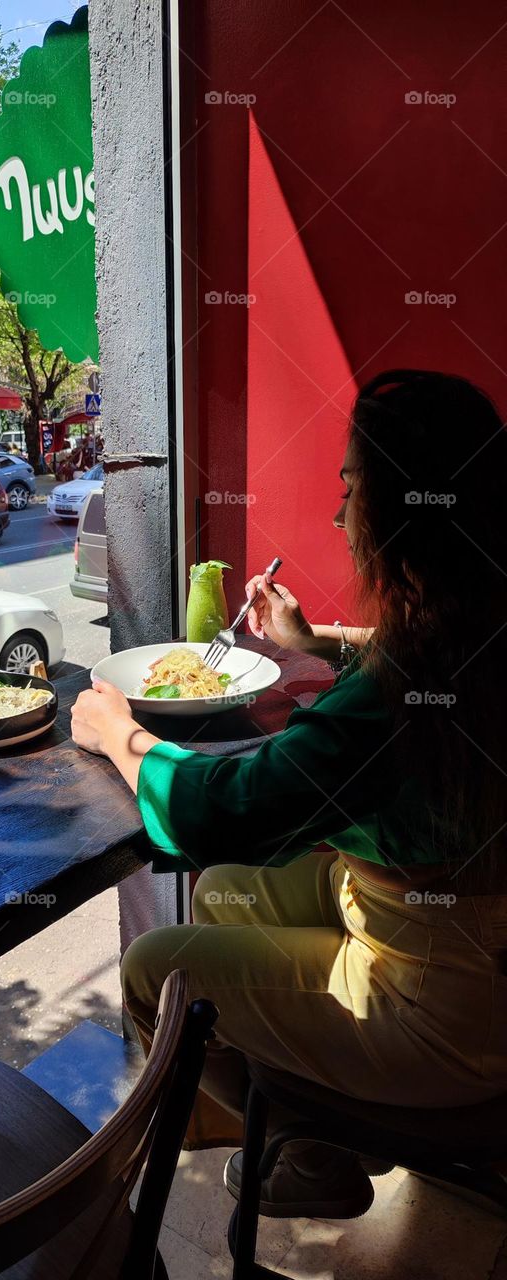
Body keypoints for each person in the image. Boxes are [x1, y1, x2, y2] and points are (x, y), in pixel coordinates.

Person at [72, 369, 507, 1219]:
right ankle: (315, 1142)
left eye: (354, 489)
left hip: (446, 1013)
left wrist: (118, 732)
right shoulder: (480, 622)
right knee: (230, 890)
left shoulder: (394, 701)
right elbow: (419, 663)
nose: (343, 519)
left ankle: (312, 1143)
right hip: (469, 942)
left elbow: (219, 809)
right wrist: (318, 643)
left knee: (154, 968)